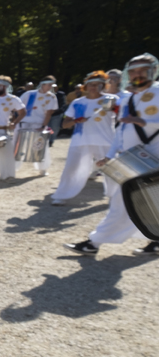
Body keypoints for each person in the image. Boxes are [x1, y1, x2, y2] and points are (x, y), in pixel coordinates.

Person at [65, 53, 159, 256]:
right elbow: (121, 131)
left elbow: (140, 124)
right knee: (134, 201)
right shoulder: (128, 99)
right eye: (133, 71)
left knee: (127, 201)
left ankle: (94, 242)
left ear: (153, 71)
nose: (138, 74)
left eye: (143, 70)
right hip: (133, 158)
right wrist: (109, 155)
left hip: (154, 156)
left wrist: (145, 122)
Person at [50, 72, 118, 206]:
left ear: (104, 86)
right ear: (86, 86)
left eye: (98, 85)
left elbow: (122, 115)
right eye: (91, 85)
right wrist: (76, 121)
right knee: (72, 167)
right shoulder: (77, 103)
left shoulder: (111, 99)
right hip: (80, 140)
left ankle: (115, 196)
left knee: (111, 169)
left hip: (105, 139)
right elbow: (65, 124)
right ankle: (61, 195)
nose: (94, 87)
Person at [17, 76, 60, 175]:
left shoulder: (52, 96)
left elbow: (49, 113)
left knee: (40, 146)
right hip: (24, 123)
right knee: (19, 146)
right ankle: (13, 169)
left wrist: (43, 126)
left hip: (39, 123)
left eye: (51, 85)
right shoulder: (29, 94)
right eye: (49, 85)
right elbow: (17, 107)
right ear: (43, 84)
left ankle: (42, 169)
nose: (50, 87)